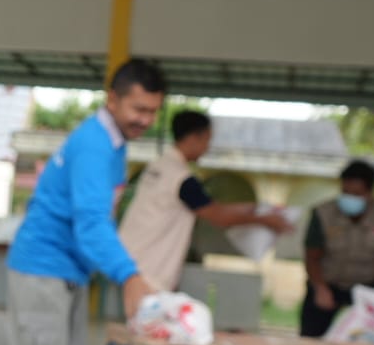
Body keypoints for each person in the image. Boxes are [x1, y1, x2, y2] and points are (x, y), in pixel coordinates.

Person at [5, 59, 164, 345]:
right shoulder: (95, 145)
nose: (144, 120)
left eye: (152, 112)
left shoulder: (113, 143)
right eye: (138, 109)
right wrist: (129, 276)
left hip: (70, 275)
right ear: (112, 99)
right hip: (42, 270)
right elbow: (91, 223)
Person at [118, 110, 293, 291]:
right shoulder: (181, 178)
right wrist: (265, 220)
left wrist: (257, 208)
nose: (207, 147)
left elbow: (211, 206)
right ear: (194, 137)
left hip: (131, 260)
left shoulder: (159, 166)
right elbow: (218, 216)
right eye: (207, 139)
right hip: (148, 269)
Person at [300, 159, 374, 338]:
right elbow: (312, 256)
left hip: (369, 287)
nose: (350, 198)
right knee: (312, 339)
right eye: (345, 192)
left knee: (369, 340)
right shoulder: (323, 213)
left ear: (370, 193)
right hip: (328, 285)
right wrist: (320, 288)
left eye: (357, 193)